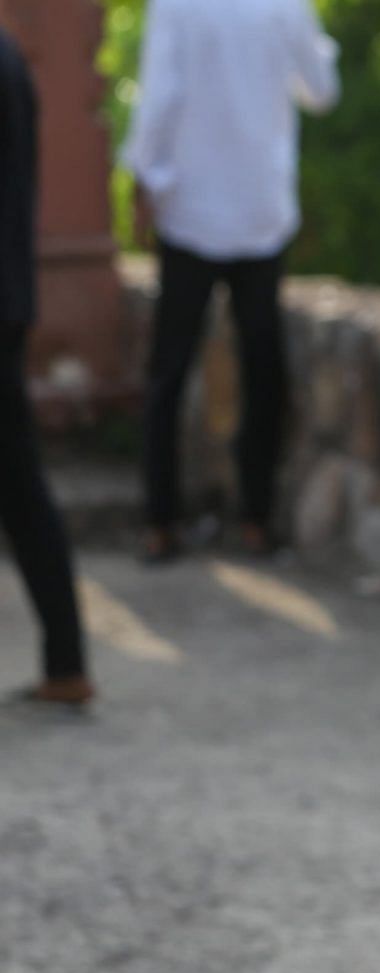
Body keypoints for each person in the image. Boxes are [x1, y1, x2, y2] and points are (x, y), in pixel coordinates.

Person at [120, 0, 338, 563]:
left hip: (190, 209)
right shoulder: (286, 7)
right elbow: (322, 91)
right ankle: (256, 518)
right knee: (262, 367)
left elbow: (159, 98)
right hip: (259, 211)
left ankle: (160, 521)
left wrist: (142, 180)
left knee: (169, 370)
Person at [0, 22, 88, 707]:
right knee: (21, 483)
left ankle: (67, 663)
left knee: (21, 482)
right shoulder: (11, 60)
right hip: (10, 296)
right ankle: (66, 661)